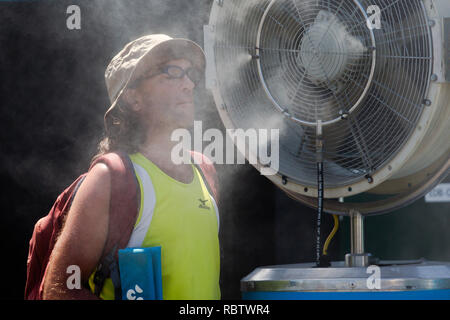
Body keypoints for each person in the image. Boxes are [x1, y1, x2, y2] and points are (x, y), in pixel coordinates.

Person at [42, 34, 221, 300]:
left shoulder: (204, 169)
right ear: (133, 98)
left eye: (189, 72)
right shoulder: (111, 178)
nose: (189, 84)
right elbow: (59, 289)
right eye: (172, 72)